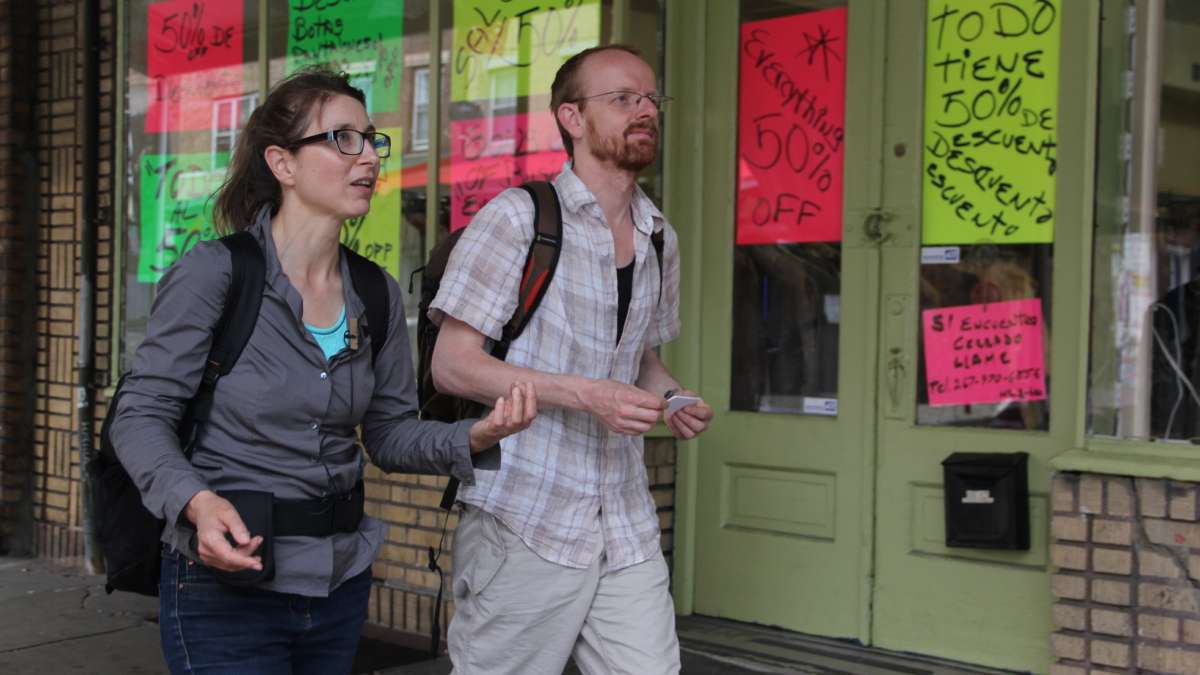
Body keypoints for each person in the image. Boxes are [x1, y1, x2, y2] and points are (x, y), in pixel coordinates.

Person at [110, 67, 537, 675]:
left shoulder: (377, 292)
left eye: (371, 140)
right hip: (225, 586)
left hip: (338, 584)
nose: (367, 157)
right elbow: (140, 415)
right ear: (282, 163)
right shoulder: (217, 273)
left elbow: (389, 435)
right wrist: (197, 504)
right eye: (343, 140)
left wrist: (475, 436)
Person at [430, 45, 713, 675]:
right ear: (572, 119)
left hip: (623, 515)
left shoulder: (659, 235)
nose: (644, 110)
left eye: (650, 99)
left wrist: (672, 398)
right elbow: (452, 365)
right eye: (622, 99)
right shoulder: (515, 219)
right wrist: (587, 394)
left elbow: (639, 357)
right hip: (528, 512)